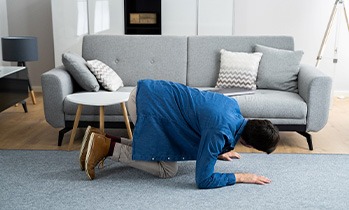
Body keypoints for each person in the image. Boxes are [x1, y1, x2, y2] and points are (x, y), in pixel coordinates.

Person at [79, 79, 280, 189]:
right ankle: (108, 148)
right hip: (148, 106)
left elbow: (206, 122)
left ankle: (101, 139)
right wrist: (240, 177)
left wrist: (218, 151)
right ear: (251, 145)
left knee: (161, 153)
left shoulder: (232, 107)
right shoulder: (218, 133)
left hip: (149, 92)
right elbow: (203, 180)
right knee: (168, 169)